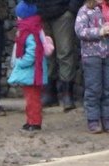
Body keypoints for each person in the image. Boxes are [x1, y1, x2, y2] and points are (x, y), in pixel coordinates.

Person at [10, 1, 51, 131]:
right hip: (32, 72)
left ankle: (35, 122)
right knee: (31, 98)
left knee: (33, 99)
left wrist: (20, 62)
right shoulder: (32, 28)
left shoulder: (29, 31)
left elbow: (32, 52)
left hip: (32, 72)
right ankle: (30, 120)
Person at [36, 0, 82, 109]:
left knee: (65, 53)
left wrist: (71, 9)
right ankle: (49, 93)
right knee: (47, 53)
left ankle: (67, 94)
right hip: (42, 13)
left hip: (63, 12)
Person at [74, 0, 109, 132]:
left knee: (107, 88)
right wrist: (99, 31)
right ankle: (93, 120)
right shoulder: (84, 11)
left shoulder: (106, 9)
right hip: (91, 55)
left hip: (107, 55)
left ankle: (106, 118)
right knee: (93, 89)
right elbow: (80, 31)